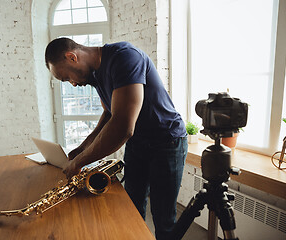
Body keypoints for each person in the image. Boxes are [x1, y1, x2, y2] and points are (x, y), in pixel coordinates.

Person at [45, 38, 188, 240]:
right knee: (131, 208)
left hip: (167, 141)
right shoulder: (95, 74)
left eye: (66, 77)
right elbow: (109, 114)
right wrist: (82, 148)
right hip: (139, 143)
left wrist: (80, 161)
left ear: (72, 57)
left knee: (164, 219)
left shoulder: (125, 57)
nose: (73, 83)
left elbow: (123, 126)